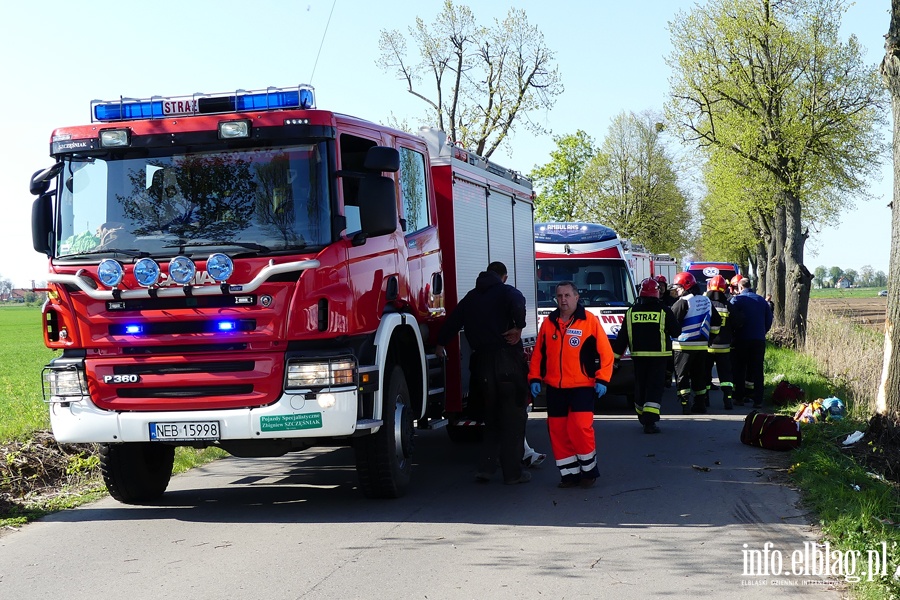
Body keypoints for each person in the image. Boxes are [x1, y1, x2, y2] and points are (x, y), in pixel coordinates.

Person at [435, 261, 531, 485]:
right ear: (504, 277)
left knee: (491, 419)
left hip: (482, 364)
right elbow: (518, 301)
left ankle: (486, 469)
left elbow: (453, 322)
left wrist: (440, 344)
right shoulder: (507, 291)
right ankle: (513, 474)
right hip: (507, 361)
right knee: (513, 419)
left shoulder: (471, 297)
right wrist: (519, 326)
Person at [528, 282, 614, 488]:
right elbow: (539, 353)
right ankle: (569, 474)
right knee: (557, 431)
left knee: (580, 428)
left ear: (577, 297)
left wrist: (602, 379)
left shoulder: (589, 321)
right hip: (555, 388)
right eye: (559, 296)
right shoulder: (549, 323)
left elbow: (606, 353)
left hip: (582, 386)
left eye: (567, 295)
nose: (563, 300)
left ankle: (589, 471)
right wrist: (534, 378)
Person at [611, 278, 681, 433]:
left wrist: (615, 359)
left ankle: (642, 415)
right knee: (654, 388)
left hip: (638, 357)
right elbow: (677, 332)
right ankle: (650, 422)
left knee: (640, 386)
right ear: (656, 293)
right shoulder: (663, 311)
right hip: (659, 357)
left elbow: (622, 338)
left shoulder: (631, 312)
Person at [670, 271, 721, 414]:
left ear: (686, 286)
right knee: (699, 376)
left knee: (682, 375)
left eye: (679, 287)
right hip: (702, 346)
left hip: (683, 346)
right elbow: (717, 322)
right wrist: (709, 337)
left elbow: (672, 323)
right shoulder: (706, 301)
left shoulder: (682, 302)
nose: (677, 290)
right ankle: (700, 404)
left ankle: (685, 404)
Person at [729, 277, 774, 409]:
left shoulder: (736, 300)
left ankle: (739, 398)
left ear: (740, 287)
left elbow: (731, 318)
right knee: (757, 370)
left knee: (740, 369)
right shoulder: (761, 300)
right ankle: (758, 400)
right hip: (758, 340)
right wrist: (762, 331)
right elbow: (769, 319)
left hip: (741, 339)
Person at [704, 275, 742, 410]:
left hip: (707, 347)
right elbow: (738, 323)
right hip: (724, 347)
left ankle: (705, 399)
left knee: (705, 374)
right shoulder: (728, 306)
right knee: (726, 375)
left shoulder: (705, 305)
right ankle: (728, 399)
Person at [656, 275, 677, 387]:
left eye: (662, 285)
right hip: (656, 333)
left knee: (670, 358)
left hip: (668, 333)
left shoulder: (671, 300)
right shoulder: (652, 300)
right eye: (658, 285)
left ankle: (668, 377)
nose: (660, 287)